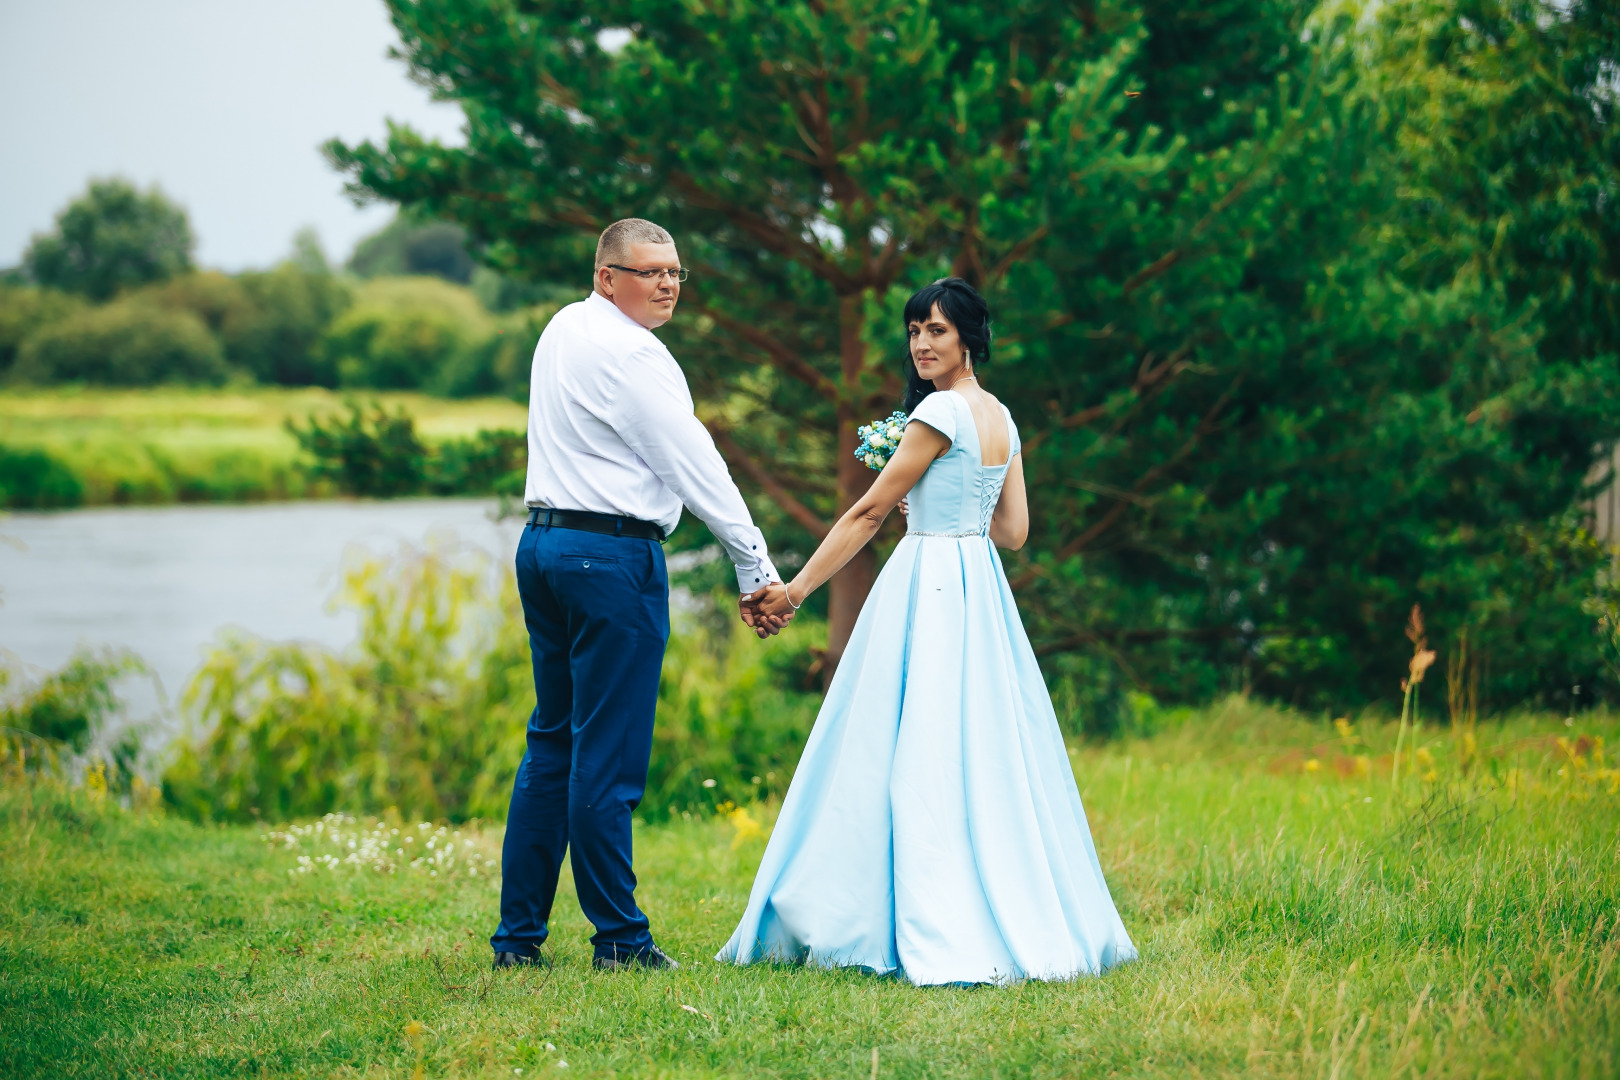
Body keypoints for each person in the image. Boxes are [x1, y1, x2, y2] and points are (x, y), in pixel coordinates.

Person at [718, 277, 1137, 985]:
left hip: (930, 584)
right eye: (915, 330)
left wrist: (792, 592)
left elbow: (866, 514)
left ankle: (903, 910)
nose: (920, 343)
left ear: (969, 337)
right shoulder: (1000, 414)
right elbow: (1014, 533)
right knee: (975, 745)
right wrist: (944, 508)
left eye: (936, 330)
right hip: (978, 587)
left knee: (901, 741)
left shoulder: (941, 410)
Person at [492, 218, 790, 973]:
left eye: (676, 273)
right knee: (607, 754)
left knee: (553, 739)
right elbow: (694, 463)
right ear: (606, 276)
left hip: (544, 546)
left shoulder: (563, 328)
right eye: (648, 271)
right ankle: (620, 942)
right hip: (609, 556)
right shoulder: (633, 353)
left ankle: (517, 942)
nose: (666, 285)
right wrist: (754, 565)